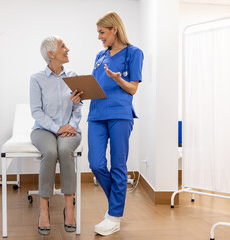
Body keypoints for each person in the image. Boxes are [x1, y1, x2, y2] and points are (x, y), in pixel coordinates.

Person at [88, 12, 144, 236]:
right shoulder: (99, 56)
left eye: (102, 32)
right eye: (98, 33)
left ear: (115, 30)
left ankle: (113, 216)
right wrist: (80, 92)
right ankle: (116, 206)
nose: (100, 37)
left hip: (120, 114)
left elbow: (132, 88)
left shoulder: (133, 53)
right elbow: (95, 84)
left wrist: (118, 78)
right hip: (96, 114)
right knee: (96, 163)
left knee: (118, 165)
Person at [30, 36, 83, 235]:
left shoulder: (73, 76)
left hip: (70, 128)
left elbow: (78, 109)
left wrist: (71, 125)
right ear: (51, 54)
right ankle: (43, 209)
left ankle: (69, 208)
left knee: (64, 149)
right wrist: (57, 128)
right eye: (63, 47)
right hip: (43, 130)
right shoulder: (36, 78)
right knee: (51, 152)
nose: (67, 49)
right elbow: (36, 112)